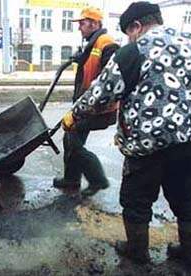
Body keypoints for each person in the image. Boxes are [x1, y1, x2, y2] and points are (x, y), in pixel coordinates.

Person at [61, 1, 191, 269]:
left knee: (137, 199)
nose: (128, 37)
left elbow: (100, 93)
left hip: (149, 143)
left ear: (136, 26)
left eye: (129, 31)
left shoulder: (134, 51)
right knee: (187, 198)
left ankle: (137, 253)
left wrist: (74, 115)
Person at [53, 6, 119, 197]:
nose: (79, 27)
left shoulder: (107, 44)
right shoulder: (92, 42)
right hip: (85, 106)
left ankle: (98, 180)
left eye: (82, 23)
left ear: (95, 24)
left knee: (73, 141)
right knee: (69, 138)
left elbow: (110, 81)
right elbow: (90, 66)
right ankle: (72, 179)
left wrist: (88, 105)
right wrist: (80, 57)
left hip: (100, 109)